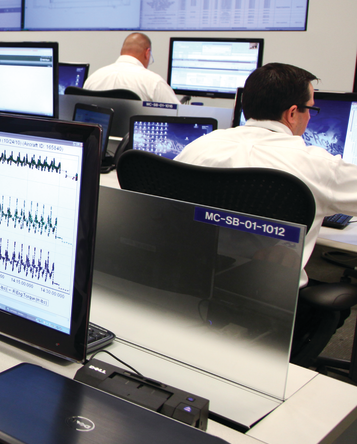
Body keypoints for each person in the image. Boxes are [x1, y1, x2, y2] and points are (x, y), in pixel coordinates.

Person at [175, 63, 357, 286]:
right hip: (274, 303)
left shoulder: (198, 147)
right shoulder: (319, 165)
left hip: (191, 285)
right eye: (309, 108)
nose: (309, 116)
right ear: (292, 113)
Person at [83, 33, 180, 104]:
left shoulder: (93, 78)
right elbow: (180, 116)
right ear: (147, 53)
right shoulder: (153, 82)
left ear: (122, 51)